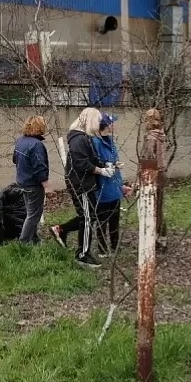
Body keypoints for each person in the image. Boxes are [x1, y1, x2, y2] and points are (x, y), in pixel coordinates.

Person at [51, 106, 112, 267]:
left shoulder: (84, 138)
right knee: (87, 218)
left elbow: (91, 159)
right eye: (98, 120)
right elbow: (82, 163)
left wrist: (107, 165)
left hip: (84, 182)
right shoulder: (79, 139)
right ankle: (82, 254)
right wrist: (101, 170)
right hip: (81, 184)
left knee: (87, 216)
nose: (100, 124)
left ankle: (61, 230)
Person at [92, 114, 133, 257]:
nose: (114, 125)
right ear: (107, 125)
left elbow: (116, 167)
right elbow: (95, 165)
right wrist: (108, 167)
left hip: (114, 189)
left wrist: (121, 186)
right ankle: (103, 249)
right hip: (102, 189)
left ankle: (115, 247)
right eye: (112, 123)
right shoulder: (95, 142)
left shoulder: (111, 142)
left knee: (115, 220)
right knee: (102, 221)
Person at [11, 115, 50, 244]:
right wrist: (46, 185)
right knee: (34, 215)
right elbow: (39, 167)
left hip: (22, 181)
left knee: (31, 212)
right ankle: (23, 242)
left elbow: (14, 160)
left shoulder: (20, 141)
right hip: (33, 184)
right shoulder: (37, 145)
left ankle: (34, 239)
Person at [138, 108, 168, 250]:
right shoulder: (161, 135)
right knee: (159, 208)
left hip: (152, 174)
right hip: (162, 173)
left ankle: (154, 239)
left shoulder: (150, 137)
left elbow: (148, 158)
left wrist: (141, 175)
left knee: (152, 208)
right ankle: (162, 238)